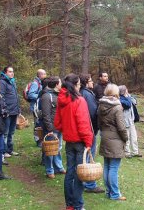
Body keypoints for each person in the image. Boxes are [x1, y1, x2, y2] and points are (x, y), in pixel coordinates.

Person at [54, 73, 93, 210]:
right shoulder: (79, 100)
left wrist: (67, 127)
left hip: (69, 141)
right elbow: (83, 124)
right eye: (78, 84)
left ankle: (70, 205)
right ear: (75, 85)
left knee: (70, 172)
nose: (79, 86)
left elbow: (57, 123)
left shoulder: (61, 99)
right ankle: (77, 205)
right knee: (79, 174)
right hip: (79, 142)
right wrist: (88, 142)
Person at [98, 84, 128, 201]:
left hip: (105, 136)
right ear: (115, 93)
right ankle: (115, 194)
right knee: (114, 167)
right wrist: (125, 138)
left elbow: (99, 123)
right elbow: (121, 127)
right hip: (115, 138)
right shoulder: (117, 107)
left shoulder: (101, 105)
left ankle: (108, 192)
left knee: (107, 166)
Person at [79, 73, 104, 193]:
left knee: (85, 155)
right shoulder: (87, 95)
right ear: (85, 82)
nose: (92, 83)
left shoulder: (82, 93)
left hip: (87, 129)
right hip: (90, 129)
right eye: (90, 81)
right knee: (90, 155)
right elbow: (92, 113)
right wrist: (96, 127)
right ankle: (89, 184)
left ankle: (84, 182)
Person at [40, 76, 66, 178]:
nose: (61, 84)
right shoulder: (47, 96)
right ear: (56, 85)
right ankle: (49, 170)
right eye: (60, 83)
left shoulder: (59, 95)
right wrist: (50, 129)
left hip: (59, 127)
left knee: (58, 147)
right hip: (51, 128)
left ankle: (58, 167)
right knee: (50, 150)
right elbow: (46, 114)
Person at [0, 66, 20, 158]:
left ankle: (10, 150)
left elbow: (16, 97)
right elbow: (2, 97)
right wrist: (5, 110)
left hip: (14, 111)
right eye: (10, 71)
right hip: (7, 112)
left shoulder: (12, 82)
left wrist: (18, 109)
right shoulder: (3, 82)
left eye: (13, 71)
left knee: (11, 132)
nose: (12, 73)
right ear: (5, 73)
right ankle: (3, 151)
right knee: (5, 133)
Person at [119, 85, 142, 158]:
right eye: (126, 89)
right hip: (125, 121)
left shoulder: (128, 97)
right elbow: (128, 104)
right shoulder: (120, 99)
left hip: (131, 120)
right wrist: (128, 97)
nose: (127, 90)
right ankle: (127, 153)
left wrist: (130, 97)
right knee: (127, 138)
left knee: (134, 137)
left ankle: (135, 152)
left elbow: (135, 101)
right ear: (123, 91)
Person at [28, 69, 47, 146]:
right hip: (35, 108)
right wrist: (40, 96)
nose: (45, 75)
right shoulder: (35, 84)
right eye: (44, 74)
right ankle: (38, 141)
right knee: (37, 125)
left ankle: (41, 140)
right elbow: (31, 94)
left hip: (38, 107)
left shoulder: (41, 83)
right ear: (39, 75)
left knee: (40, 125)